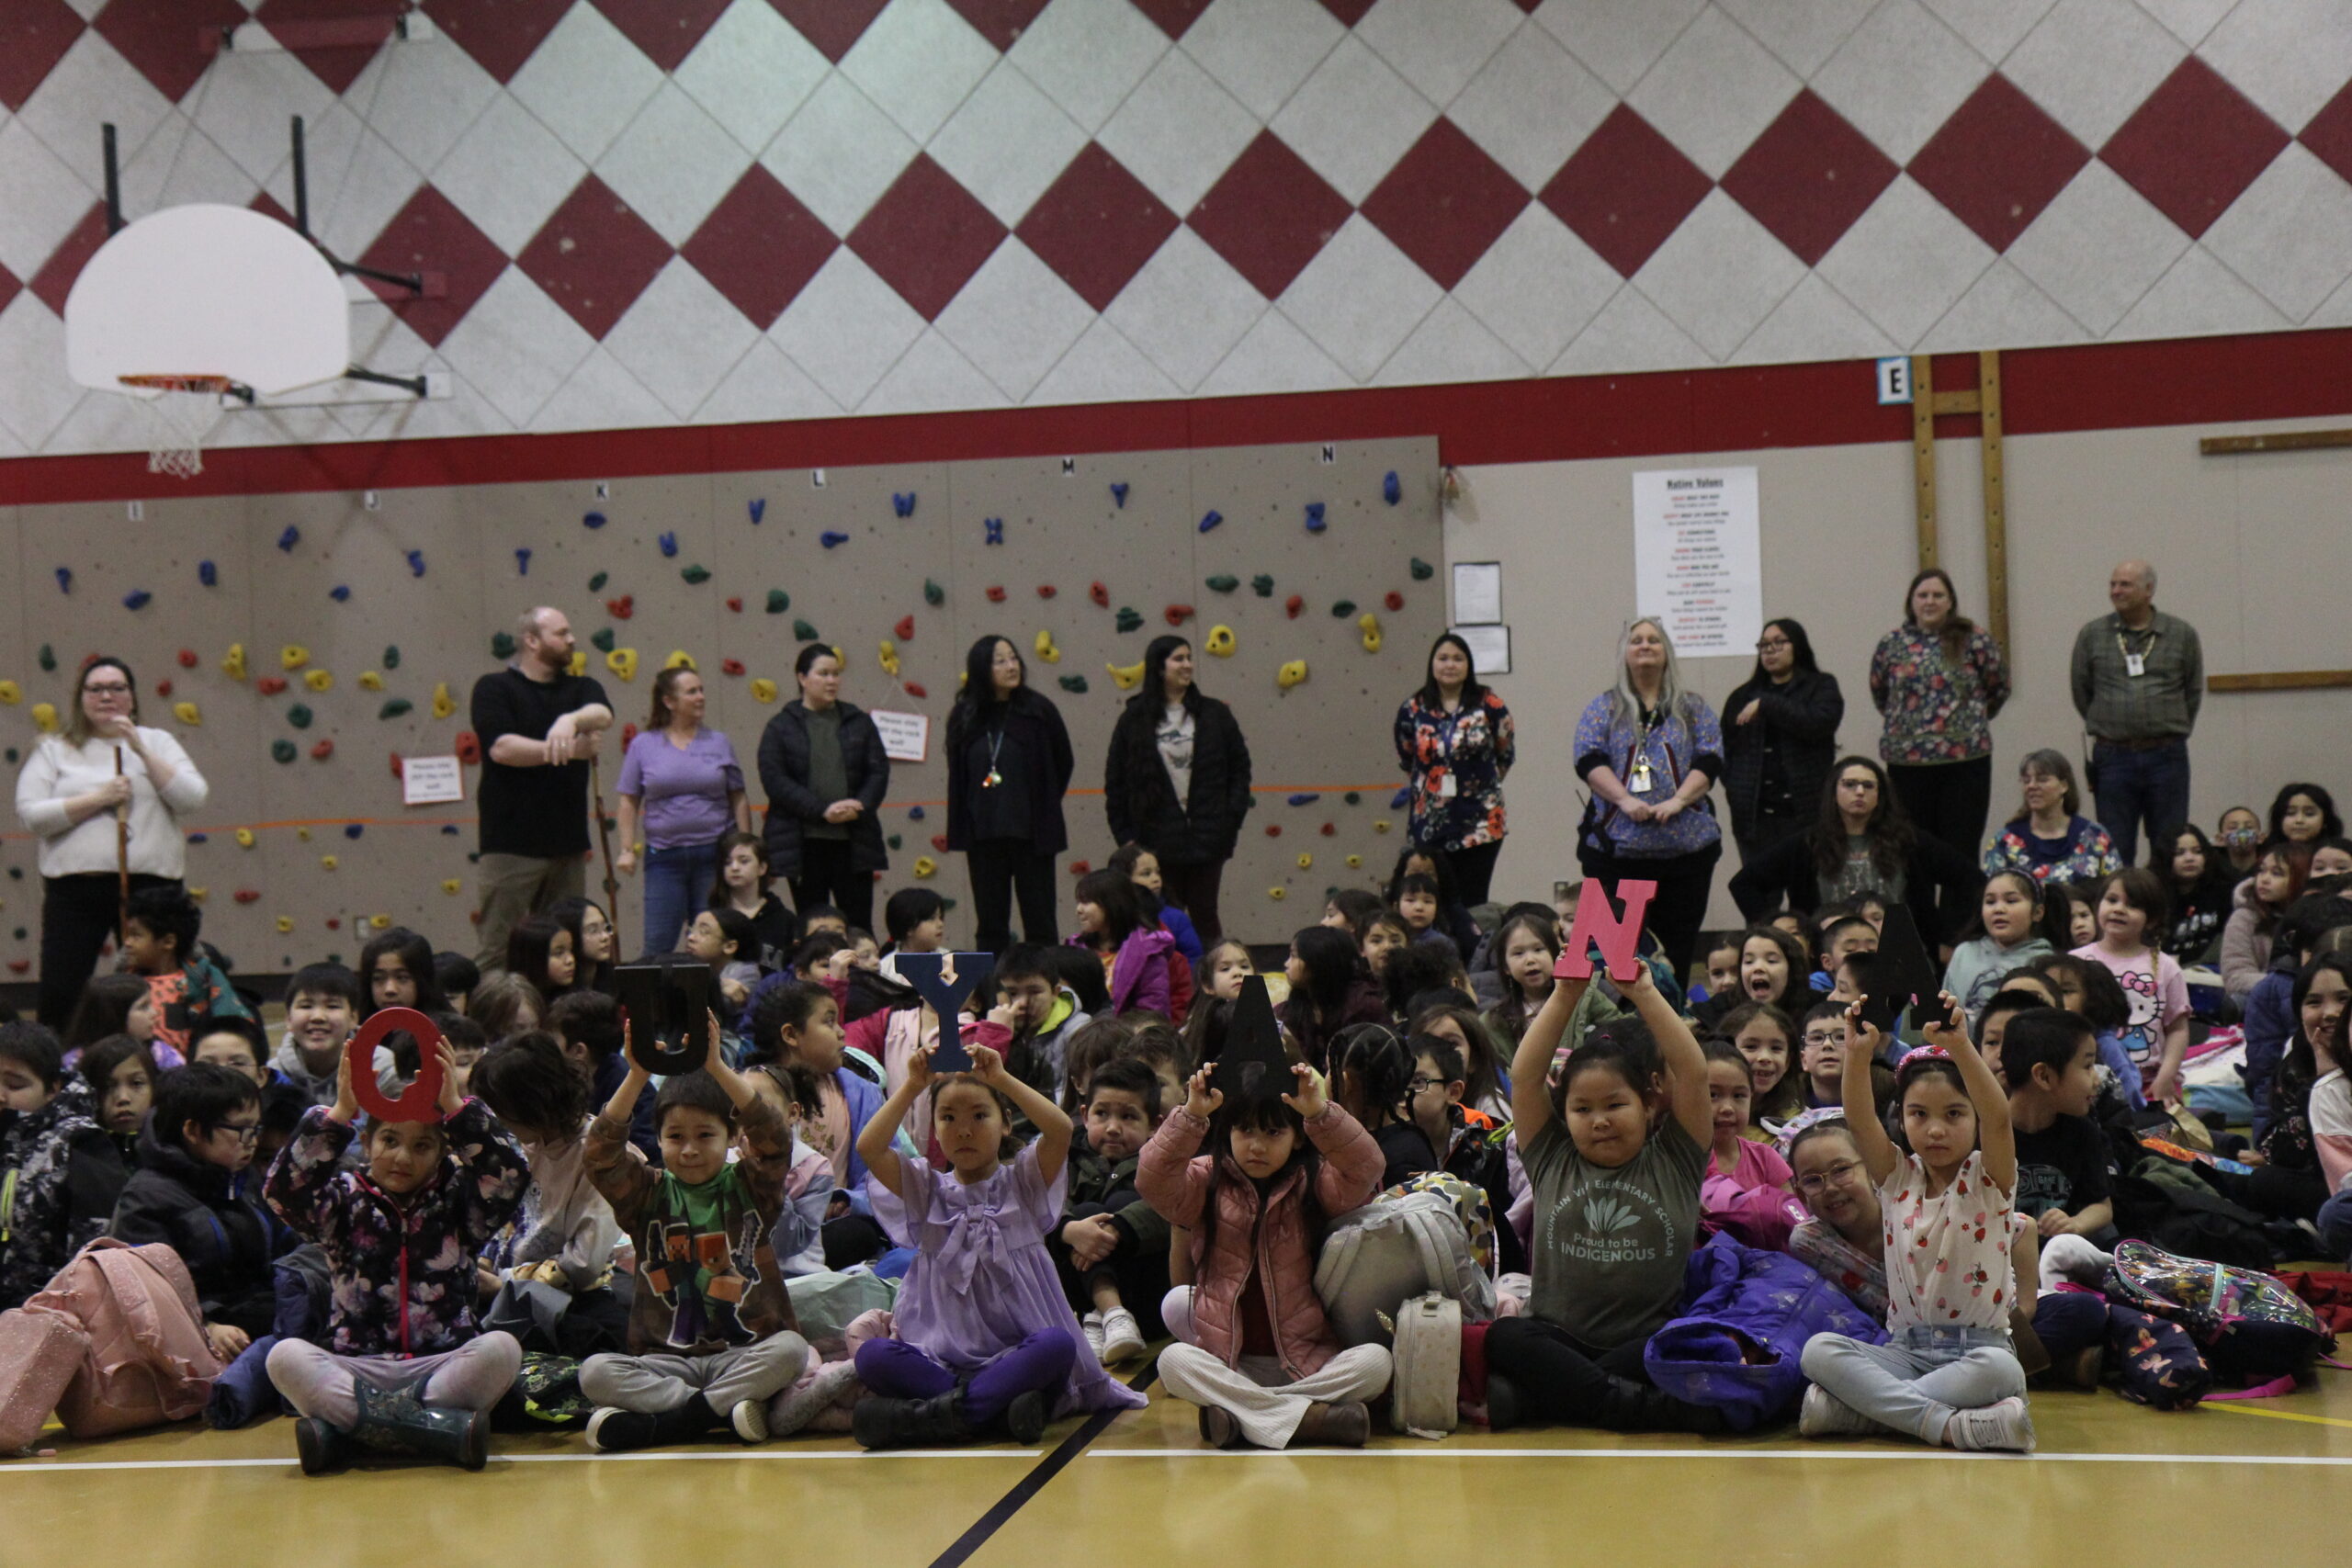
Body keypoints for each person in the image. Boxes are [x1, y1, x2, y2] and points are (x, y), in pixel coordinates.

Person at [851, 1023, 1144, 1447]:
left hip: (1014, 1355)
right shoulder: (926, 1189)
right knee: (873, 1355)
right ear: (933, 1131)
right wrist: (912, 1086)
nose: (964, 1130)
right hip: (939, 1360)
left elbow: (1060, 1129)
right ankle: (989, 1412)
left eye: (979, 1116)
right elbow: (869, 1148)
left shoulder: (1022, 1181)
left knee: (1057, 1345)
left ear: (1006, 1124)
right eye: (948, 1119)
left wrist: (1002, 1079)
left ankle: (933, 1417)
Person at [261, 1035, 530, 1473]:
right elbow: (281, 1192)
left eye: (422, 1145)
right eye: (389, 1140)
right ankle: (433, 1430)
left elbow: (512, 1173)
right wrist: (339, 1114)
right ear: (365, 1145)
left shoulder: (460, 1199)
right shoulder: (342, 1200)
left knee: (501, 1349)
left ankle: (348, 1434)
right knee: (284, 1357)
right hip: (356, 1367)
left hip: (439, 1365)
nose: (403, 1157)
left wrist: (458, 1108)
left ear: (444, 1149)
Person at [1483, 956, 1723, 1433]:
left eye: (1616, 1104)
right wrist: (1564, 995)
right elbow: (1526, 1076)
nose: (1600, 1120)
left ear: (1650, 1104)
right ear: (1564, 1113)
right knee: (1505, 1337)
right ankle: (1639, 1408)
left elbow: (1693, 1075)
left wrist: (1644, 995)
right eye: (1582, 1108)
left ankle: (1551, 1400)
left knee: (1684, 1342)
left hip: (1643, 1344)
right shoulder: (1552, 1157)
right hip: (1556, 1337)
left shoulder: (1675, 1159)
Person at [1796, 996, 2034, 1451]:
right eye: (1919, 1115)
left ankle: (1860, 1414)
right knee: (1819, 1351)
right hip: (1904, 1351)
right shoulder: (1896, 1177)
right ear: (1902, 1119)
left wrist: (1962, 1047)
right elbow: (1860, 1119)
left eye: (1954, 1114)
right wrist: (1858, 1054)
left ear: (1972, 1118)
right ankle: (1949, 1427)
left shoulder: (1990, 1177)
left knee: (2004, 1371)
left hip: (1978, 1352)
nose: (1936, 1130)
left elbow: (2000, 1118)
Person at [577, 1015, 813, 1450]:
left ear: (731, 1137)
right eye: (675, 1136)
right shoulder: (645, 1194)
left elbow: (774, 1139)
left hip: (743, 1354)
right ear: (659, 1139)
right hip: (667, 1363)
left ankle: (673, 1423)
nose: (688, 1149)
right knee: (594, 1372)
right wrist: (637, 1074)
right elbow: (599, 1152)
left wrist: (719, 1068)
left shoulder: (750, 1187)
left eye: (705, 1135)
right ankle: (720, 1412)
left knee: (792, 1350)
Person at [1141, 1058, 1390, 1450]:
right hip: (1231, 1365)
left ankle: (1247, 1417)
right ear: (1229, 1131)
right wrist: (1190, 1115)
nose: (1256, 1145)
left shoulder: (1314, 1181)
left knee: (1377, 1362)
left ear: (1297, 1137)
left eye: (1274, 1132)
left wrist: (1320, 1113)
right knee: (1173, 1363)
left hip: (1305, 1365)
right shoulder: (1206, 1179)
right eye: (1245, 1130)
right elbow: (1153, 1180)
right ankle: (1312, 1420)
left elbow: (1368, 1167)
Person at [16, 657, 209, 1032]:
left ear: (132, 697)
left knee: (157, 981)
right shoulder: (55, 749)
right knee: (63, 985)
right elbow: (32, 815)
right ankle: (59, 1070)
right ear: (81, 698)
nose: (107, 696)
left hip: (151, 889)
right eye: (96, 689)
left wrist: (140, 749)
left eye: (117, 688)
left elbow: (192, 798)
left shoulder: (158, 742)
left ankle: (167, 1061)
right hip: (76, 889)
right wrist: (99, 799)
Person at [1573, 617, 1724, 980]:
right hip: (1618, 854)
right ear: (1625, 654)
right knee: (1620, 953)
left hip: (1685, 855)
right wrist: (1625, 801)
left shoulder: (1692, 708)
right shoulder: (1603, 708)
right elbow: (1588, 759)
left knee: (1679, 949)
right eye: (1636, 640)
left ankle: (1674, 1019)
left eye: (1653, 641)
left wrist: (1678, 801)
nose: (1644, 646)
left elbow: (1710, 758)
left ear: (1666, 653)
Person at [107, 1062, 292, 1359]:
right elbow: (145, 1293)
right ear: (192, 1130)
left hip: (255, 1319)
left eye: (256, 1128)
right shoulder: (145, 1198)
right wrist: (207, 1324)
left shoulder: (246, 1179)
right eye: (242, 1130)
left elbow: (284, 1249)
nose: (253, 1141)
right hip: (192, 1341)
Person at [470, 608, 614, 975]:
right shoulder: (494, 688)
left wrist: (571, 720)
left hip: (566, 844)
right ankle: (498, 1026)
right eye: (561, 633)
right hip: (510, 843)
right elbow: (503, 748)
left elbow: (602, 714)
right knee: (499, 949)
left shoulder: (580, 688)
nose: (571, 640)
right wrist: (569, 751)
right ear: (532, 641)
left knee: (574, 948)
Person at [1729, 757, 1983, 952]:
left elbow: (1971, 879)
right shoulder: (1808, 844)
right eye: (1850, 784)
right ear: (1834, 792)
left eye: (1868, 785)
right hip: (1827, 961)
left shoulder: (1910, 841)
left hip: (1903, 957)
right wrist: (1781, 934)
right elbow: (1744, 884)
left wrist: (1950, 938)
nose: (1859, 791)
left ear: (1880, 795)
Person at [469, 1033, 625, 1338]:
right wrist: (482, 1267)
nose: (492, 1120)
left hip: (573, 1297)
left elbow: (583, 1264)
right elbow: (500, 1223)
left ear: (532, 1105)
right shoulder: (525, 1142)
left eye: (497, 1110)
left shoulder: (601, 1155)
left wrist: (502, 1283)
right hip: (500, 1286)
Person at [1103, 636, 1254, 946]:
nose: (1187, 665)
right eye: (1178, 659)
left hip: (1208, 838)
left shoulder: (1215, 714)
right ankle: (1167, 986)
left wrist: (1230, 821)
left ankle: (1215, 987)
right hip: (1155, 840)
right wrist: (1126, 838)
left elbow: (1240, 769)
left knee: (1205, 917)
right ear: (1159, 668)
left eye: (1189, 658)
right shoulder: (1133, 719)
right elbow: (1116, 782)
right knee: (1161, 918)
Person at [947, 636, 1075, 955]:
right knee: (990, 924)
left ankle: (1044, 991)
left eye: (1014, 658)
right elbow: (959, 773)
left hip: (1032, 834)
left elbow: (1063, 761)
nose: (1011, 666)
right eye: (1000, 660)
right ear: (981, 669)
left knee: (1040, 922)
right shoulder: (965, 715)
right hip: (984, 836)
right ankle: (991, 995)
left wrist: (1042, 804)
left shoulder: (1039, 711)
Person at [1868, 570, 2009, 858]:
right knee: (1911, 850)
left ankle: (1959, 905)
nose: (1930, 602)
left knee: (1960, 850)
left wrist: (1968, 722)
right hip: (1907, 765)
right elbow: (1881, 693)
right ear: (1911, 602)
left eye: (1938, 595)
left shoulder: (1975, 640)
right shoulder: (1891, 644)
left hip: (1964, 763)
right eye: (1923, 595)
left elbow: (1997, 686)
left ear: (1950, 602)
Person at [2070, 560, 2202, 868]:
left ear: (2148, 590)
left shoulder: (2180, 634)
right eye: (2113, 584)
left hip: (2167, 755)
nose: (2116, 591)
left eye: (2125, 585)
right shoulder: (2092, 634)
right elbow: (2081, 691)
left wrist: (2167, 726)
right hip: (2113, 757)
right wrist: (2111, 722)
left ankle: (2167, 914)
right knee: (2115, 847)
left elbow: (2192, 692)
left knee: (2170, 845)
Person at [614, 666, 752, 960]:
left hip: (713, 855)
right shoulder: (644, 745)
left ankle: (711, 1005)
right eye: (691, 692)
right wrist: (627, 849)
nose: (700, 697)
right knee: (658, 944)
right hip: (665, 859)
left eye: (701, 690)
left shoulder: (719, 742)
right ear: (669, 701)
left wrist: (744, 844)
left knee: (712, 944)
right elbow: (628, 801)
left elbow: (738, 795)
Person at [758, 644, 890, 933]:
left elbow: (878, 770)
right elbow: (775, 780)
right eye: (823, 674)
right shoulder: (781, 727)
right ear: (802, 678)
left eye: (836, 674)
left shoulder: (858, 722)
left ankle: (859, 978)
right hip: (804, 844)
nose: (832, 681)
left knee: (857, 925)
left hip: (854, 842)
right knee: (812, 924)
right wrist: (821, 811)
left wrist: (860, 805)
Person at [1049, 1056, 1170, 1363]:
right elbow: (1043, 1205)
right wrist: (1070, 1230)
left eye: (1129, 1117)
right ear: (1085, 1115)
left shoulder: (1166, 1160)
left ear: (1155, 1125)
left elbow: (1170, 1207)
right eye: (1102, 1114)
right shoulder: (1065, 1154)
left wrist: (1117, 1228)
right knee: (1081, 1214)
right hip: (1075, 1296)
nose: (1113, 1128)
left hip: (1145, 1299)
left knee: (1118, 1206)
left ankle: (1104, 1313)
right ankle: (1108, 1315)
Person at [0, 1021, 128, 1309]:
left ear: (52, 1089)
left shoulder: (80, 1142)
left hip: (44, 1314)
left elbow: (95, 1253)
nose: (1, 1095)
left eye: (15, 1085)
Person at [1394, 633, 1516, 907]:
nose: (1450, 665)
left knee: (1473, 899)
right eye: (1443, 658)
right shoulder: (1413, 708)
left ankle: (1473, 949)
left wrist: (1479, 788)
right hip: (1430, 822)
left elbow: (1505, 754)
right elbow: (1407, 758)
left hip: (1481, 821)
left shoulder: (1489, 704)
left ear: (1468, 665)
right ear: (1432, 664)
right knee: (1433, 898)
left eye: (1458, 659)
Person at [1722, 617, 1845, 871]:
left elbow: (1817, 724)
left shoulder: (1820, 686)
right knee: (1761, 901)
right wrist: (1736, 786)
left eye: (1779, 643)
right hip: (1755, 818)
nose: (1770, 650)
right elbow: (1724, 749)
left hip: (1806, 813)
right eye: (1764, 645)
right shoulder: (1742, 696)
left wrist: (1767, 704)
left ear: (1797, 646)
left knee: (1809, 898)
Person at [2072, 867, 2190, 1105]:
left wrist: (2166, 1077)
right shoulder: (2075, 962)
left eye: (2132, 905)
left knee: (2155, 1140)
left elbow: (2177, 1029)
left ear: (2153, 919)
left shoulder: (2166, 967)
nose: (2118, 909)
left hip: (2150, 1083)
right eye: (2112, 900)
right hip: (2091, 1079)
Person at [1997, 1009, 2114, 1243]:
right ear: (2044, 1076)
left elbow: (2102, 1206)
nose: (2097, 1079)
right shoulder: (1988, 1133)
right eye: (2087, 1065)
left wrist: (2075, 1224)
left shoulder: (2083, 1132)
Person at [118, 885, 251, 1055]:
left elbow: (233, 1026)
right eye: (128, 935)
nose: (127, 943)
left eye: (136, 935)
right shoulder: (123, 983)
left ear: (168, 942)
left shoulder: (201, 981)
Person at [1981, 750, 2121, 886]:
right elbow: (1992, 898)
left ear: (2064, 786)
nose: (2032, 786)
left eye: (2042, 780)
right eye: (2026, 781)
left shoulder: (2095, 836)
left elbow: (2115, 891)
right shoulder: (2004, 843)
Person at [1942, 871, 2058, 1028]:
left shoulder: (2045, 960)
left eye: (2011, 901)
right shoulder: (1964, 953)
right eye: (1990, 902)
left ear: (2037, 912)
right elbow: (1944, 1013)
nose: (1998, 909)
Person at [1070, 869, 1177, 1019]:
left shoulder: (1148, 950)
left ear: (1112, 903)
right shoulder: (1074, 949)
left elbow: (1153, 1010)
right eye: (1078, 902)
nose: (1078, 910)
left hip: (1129, 1038)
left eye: (1086, 902)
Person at [1279, 926, 1385, 1073]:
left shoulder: (1366, 1007)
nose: (1286, 963)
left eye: (1294, 955)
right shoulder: (1287, 1011)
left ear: (1318, 961)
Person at [2223, 841, 2312, 1002]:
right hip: (2264, 1001)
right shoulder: (2244, 917)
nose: (2264, 879)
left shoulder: (2315, 918)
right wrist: (2286, 986)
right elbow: (2236, 977)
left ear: (2300, 878)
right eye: (2262, 871)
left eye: (2277, 873)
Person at [2158, 823, 2234, 961]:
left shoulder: (2224, 891)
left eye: (2197, 851)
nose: (2190, 858)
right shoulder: (2153, 895)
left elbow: (2228, 941)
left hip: (2211, 967)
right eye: (2179, 853)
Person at [2268, 782, 2343, 848]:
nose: (2299, 820)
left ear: (2325, 820)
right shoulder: (2267, 858)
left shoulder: (2341, 855)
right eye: (2290, 813)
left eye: (2309, 814)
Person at [2217, 804, 2264, 886]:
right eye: (2233, 827)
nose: (2241, 832)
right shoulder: (2213, 875)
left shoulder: (2266, 872)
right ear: (2220, 839)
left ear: (2260, 838)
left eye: (2249, 827)